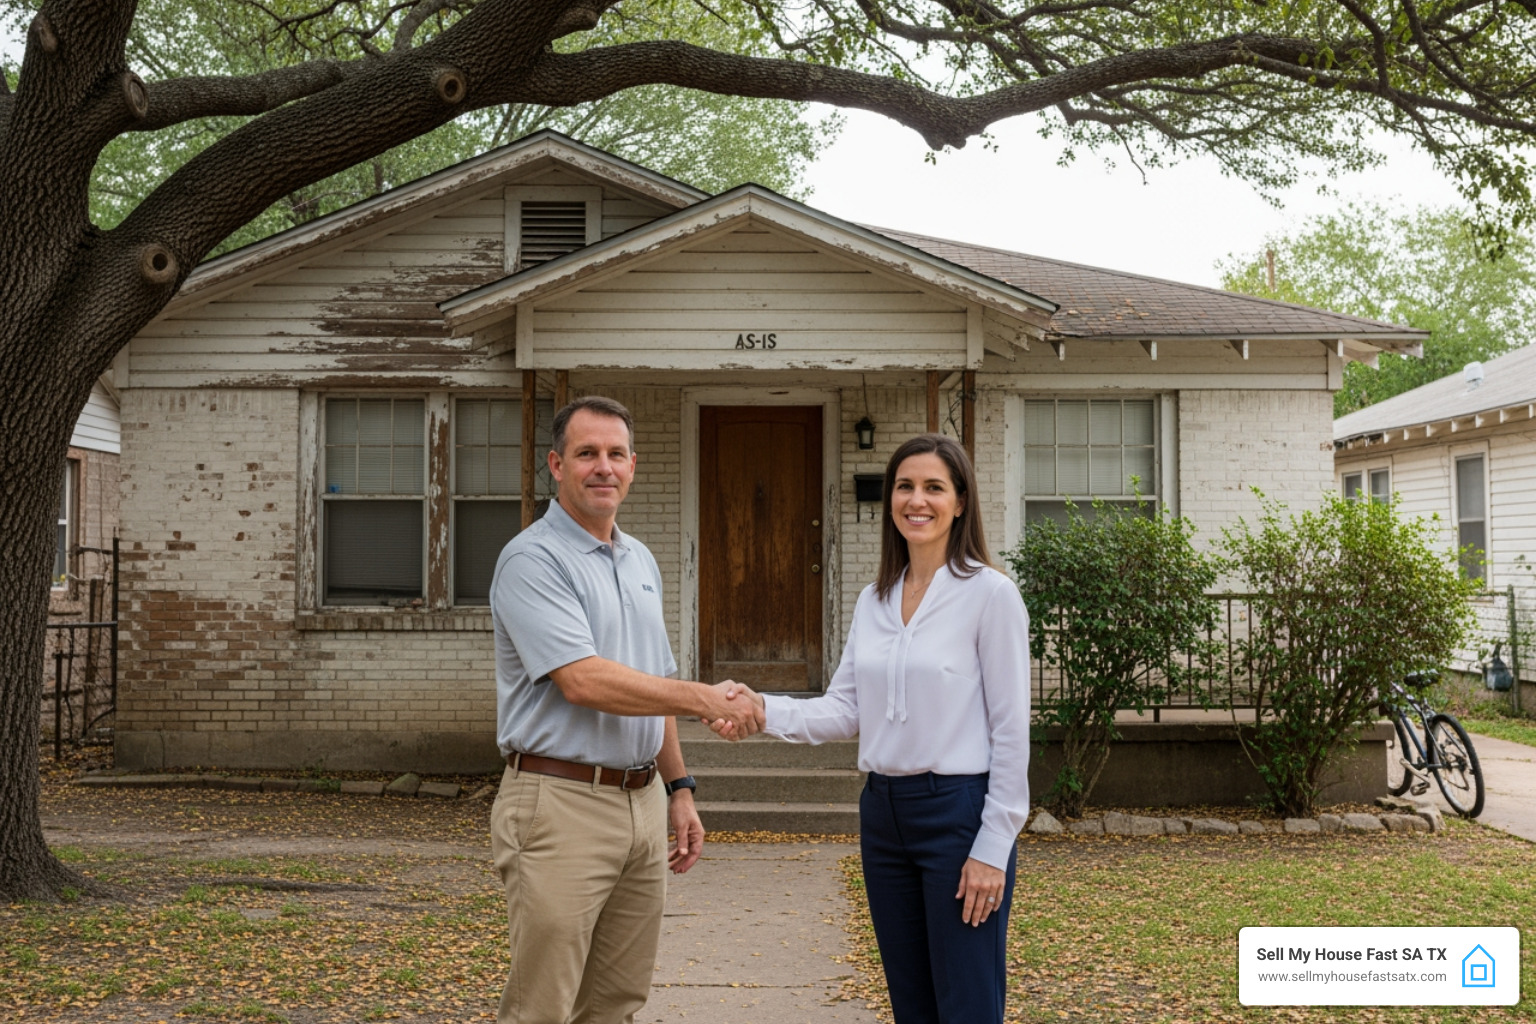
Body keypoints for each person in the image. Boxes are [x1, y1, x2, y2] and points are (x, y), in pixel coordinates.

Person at [716, 433, 1031, 1024]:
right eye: (905, 486)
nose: (918, 500)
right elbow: (844, 709)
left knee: (966, 1004)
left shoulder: (991, 596)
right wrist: (762, 710)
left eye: (934, 487)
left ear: (960, 502)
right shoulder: (875, 599)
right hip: (884, 817)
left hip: (958, 814)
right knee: (911, 1004)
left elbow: (1012, 732)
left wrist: (994, 847)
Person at [489, 395, 762, 1024]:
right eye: (587, 454)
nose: (602, 467)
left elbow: (649, 682)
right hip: (559, 803)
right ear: (557, 465)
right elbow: (583, 681)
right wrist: (703, 698)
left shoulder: (638, 559)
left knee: (616, 1001)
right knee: (543, 1006)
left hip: (641, 805)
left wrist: (680, 788)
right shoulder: (532, 560)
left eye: (615, 454)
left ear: (634, 465)